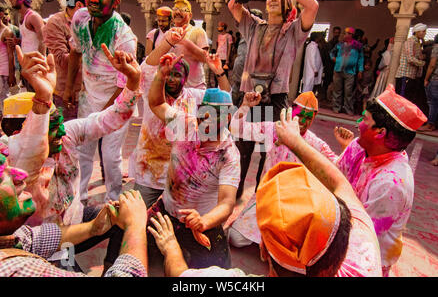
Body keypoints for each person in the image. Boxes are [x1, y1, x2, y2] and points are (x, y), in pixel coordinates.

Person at [149, 112, 382, 277]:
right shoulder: (363, 255)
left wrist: (170, 246)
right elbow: (341, 184)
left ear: (263, 250)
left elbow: (181, 275)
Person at [0, 47, 147, 277]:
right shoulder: (9, 159)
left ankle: (111, 267)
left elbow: (110, 118)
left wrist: (133, 80)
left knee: (121, 215)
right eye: (49, 126)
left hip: (73, 227)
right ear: (19, 130)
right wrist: (42, 99)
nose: (60, 132)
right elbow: (30, 146)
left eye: (58, 122)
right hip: (39, 244)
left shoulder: (68, 133)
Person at [146, 53, 240, 270]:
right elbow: (156, 103)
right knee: (141, 255)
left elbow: (227, 203)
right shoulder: (186, 124)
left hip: (201, 222)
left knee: (220, 272)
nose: (205, 123)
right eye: (202, 116)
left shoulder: (229, 155)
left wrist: (204, 222)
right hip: (166, 212)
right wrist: (160, 75)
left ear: (226, 118)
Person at [228, 0, 318, 198]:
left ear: (289, 5)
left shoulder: (293, 31)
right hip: (249, 99)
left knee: (268, 156)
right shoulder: (253, 26)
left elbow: (313, 6)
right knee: (241, 152)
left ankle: (261, 203)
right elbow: (233, 5)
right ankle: (232, 200)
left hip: (275, 100)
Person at [129, 34, 231, 208]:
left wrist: (218, 71)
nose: (171, 79)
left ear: (186, 78)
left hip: (179, 178)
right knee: (136, 217)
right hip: (149, 174)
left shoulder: (193, 96)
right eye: (169, 74)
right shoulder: (151, 92)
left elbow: (225, 97)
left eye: (177, 75)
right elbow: (147, 66)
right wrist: (167, 42)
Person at [335, 84, 427, 276]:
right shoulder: (359, 147)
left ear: (380, 132)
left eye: (364, 119)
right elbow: (333, 176)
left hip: (362, 258)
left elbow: (360, 238)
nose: (359, 123)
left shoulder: (391, 184)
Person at [228, 91, 338, 248]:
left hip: (295, 207)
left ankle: (273, 244)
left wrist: (347, 147)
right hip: (267, 198)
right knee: (235, 238)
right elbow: (237, 129)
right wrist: (245, 106)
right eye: (300, 115)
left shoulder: (315, 143)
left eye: (309, 118)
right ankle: (270, 243)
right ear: (291, 111)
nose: (303, 122)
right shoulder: (274, 130)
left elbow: (338, 165)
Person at [63, 0, 137, 204]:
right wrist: (69, 87)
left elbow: (124, 86)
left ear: (116, 1)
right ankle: (79, 199)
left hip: (116, 104)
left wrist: (102, 116)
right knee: (83, 151)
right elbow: (76, 52)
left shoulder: (124, 37)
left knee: (110, 156)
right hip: (88, 98)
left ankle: (112, 201)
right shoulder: (79, 18)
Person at [43, 0, 86, 122]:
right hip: (67, 94)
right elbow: (62, 60)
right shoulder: (56, 23)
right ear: (79, 6)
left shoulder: (91, 22)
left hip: (90, 93)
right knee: (66, 137)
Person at [146, 0, 209, 90]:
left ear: (190, 15)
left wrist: (184, 42)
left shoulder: (198, 31)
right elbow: (152, 61)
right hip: (172, 88)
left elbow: (205, 58)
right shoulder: (168, 34)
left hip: (193, 88)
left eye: (183, 9)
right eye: (175, 9)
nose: (178, 12)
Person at [6, 0, 46, 93]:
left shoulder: (33, 17)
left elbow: (43, 40)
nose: (10, 0)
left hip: (34, 66)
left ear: (22, 0)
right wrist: (18, 42)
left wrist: (39, 64)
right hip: (26, 65)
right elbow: (31, 39)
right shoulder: (22, 17)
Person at [229, 9, 263, 106]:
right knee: (235, 96)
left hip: (255, 75)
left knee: (256, 100)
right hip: (240, 70)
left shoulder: (264, 35)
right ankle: (232, 117)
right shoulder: (245, 33)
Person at [330, 27, 364, 115]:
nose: (345, 35)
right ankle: (336, 108)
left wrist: (360, 70)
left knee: (348, 92)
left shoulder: (358, 46)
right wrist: (334, 59)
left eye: (347, 33)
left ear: (351, 35)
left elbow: (361, 58)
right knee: (337, 90)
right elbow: (331, 53)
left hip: (350, 72)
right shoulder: (340, 44)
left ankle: (348, 109)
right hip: (338, 70)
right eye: (344, 33)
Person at [395, 23, 427, 99]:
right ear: (417, 31)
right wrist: (423, 63)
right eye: (423, 31)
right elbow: (410, 58)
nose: (425, 33)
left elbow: (419, 56)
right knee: (402, 98)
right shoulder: (410, 42)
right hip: (405, 74)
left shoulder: (417, 43)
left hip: (411, 75)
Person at [0, 4, 16, 116]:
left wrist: (12, 74)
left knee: (3, 100)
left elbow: (11, 54)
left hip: (3, 72)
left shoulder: (7, 32)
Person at [420, 34, 438, 132]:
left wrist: (426, 79)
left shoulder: (436, 48)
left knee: (432, 103)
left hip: (435, 78)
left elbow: (432, 65)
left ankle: (430, 124)